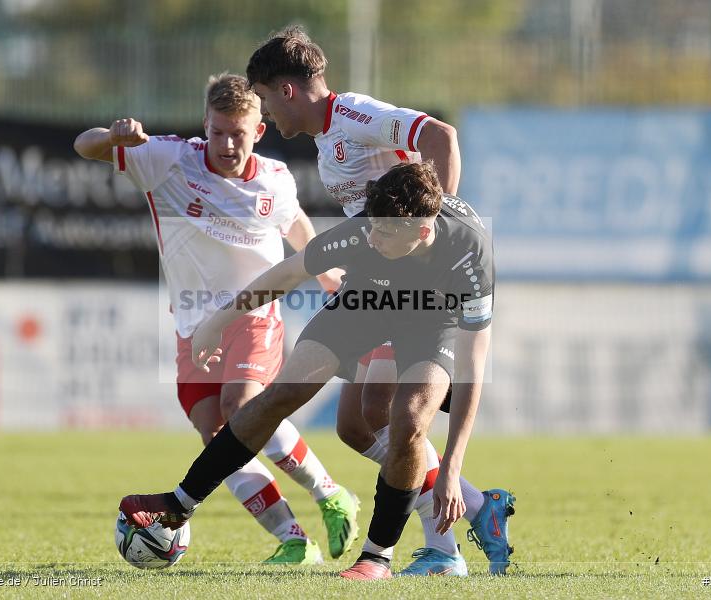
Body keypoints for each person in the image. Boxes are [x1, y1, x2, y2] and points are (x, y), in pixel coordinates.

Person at [119, 161, 502, 580]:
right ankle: (178, 504)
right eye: (372, 226)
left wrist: (450, 467)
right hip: (367, 300)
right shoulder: (366, 231)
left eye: (385, 233)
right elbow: (290, 271)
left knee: (409, 420)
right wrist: (219, 321)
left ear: (423, 233)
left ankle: (376, 559)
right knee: (283, 392)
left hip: (434, 321)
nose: (372, 238)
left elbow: (472, 365)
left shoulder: (470, 253)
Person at [243, 26, 514, 575]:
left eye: (265, 100)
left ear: (286, 90)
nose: (266, 115)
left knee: (394, 418)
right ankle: (479, 507)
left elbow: (440, 134)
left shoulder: (353, 115)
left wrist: (429, 229)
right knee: (356, 424)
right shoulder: (328, 139)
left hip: (410, 290)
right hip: (378, 287)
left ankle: (441, 550)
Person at [74, 73, 358, 565]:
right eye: (218, 132)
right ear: (205, 125)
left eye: (238, 134)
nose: (227, 144)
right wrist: (113, 138)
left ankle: (330, 494)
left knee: (242, 406)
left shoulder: (274, 178)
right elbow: (84, 146)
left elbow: (294, 224)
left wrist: (325, 270)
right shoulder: (168, 159)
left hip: (253, 313)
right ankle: (293, 540)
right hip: (191, 323)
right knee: (215, 434)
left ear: (259, 132)